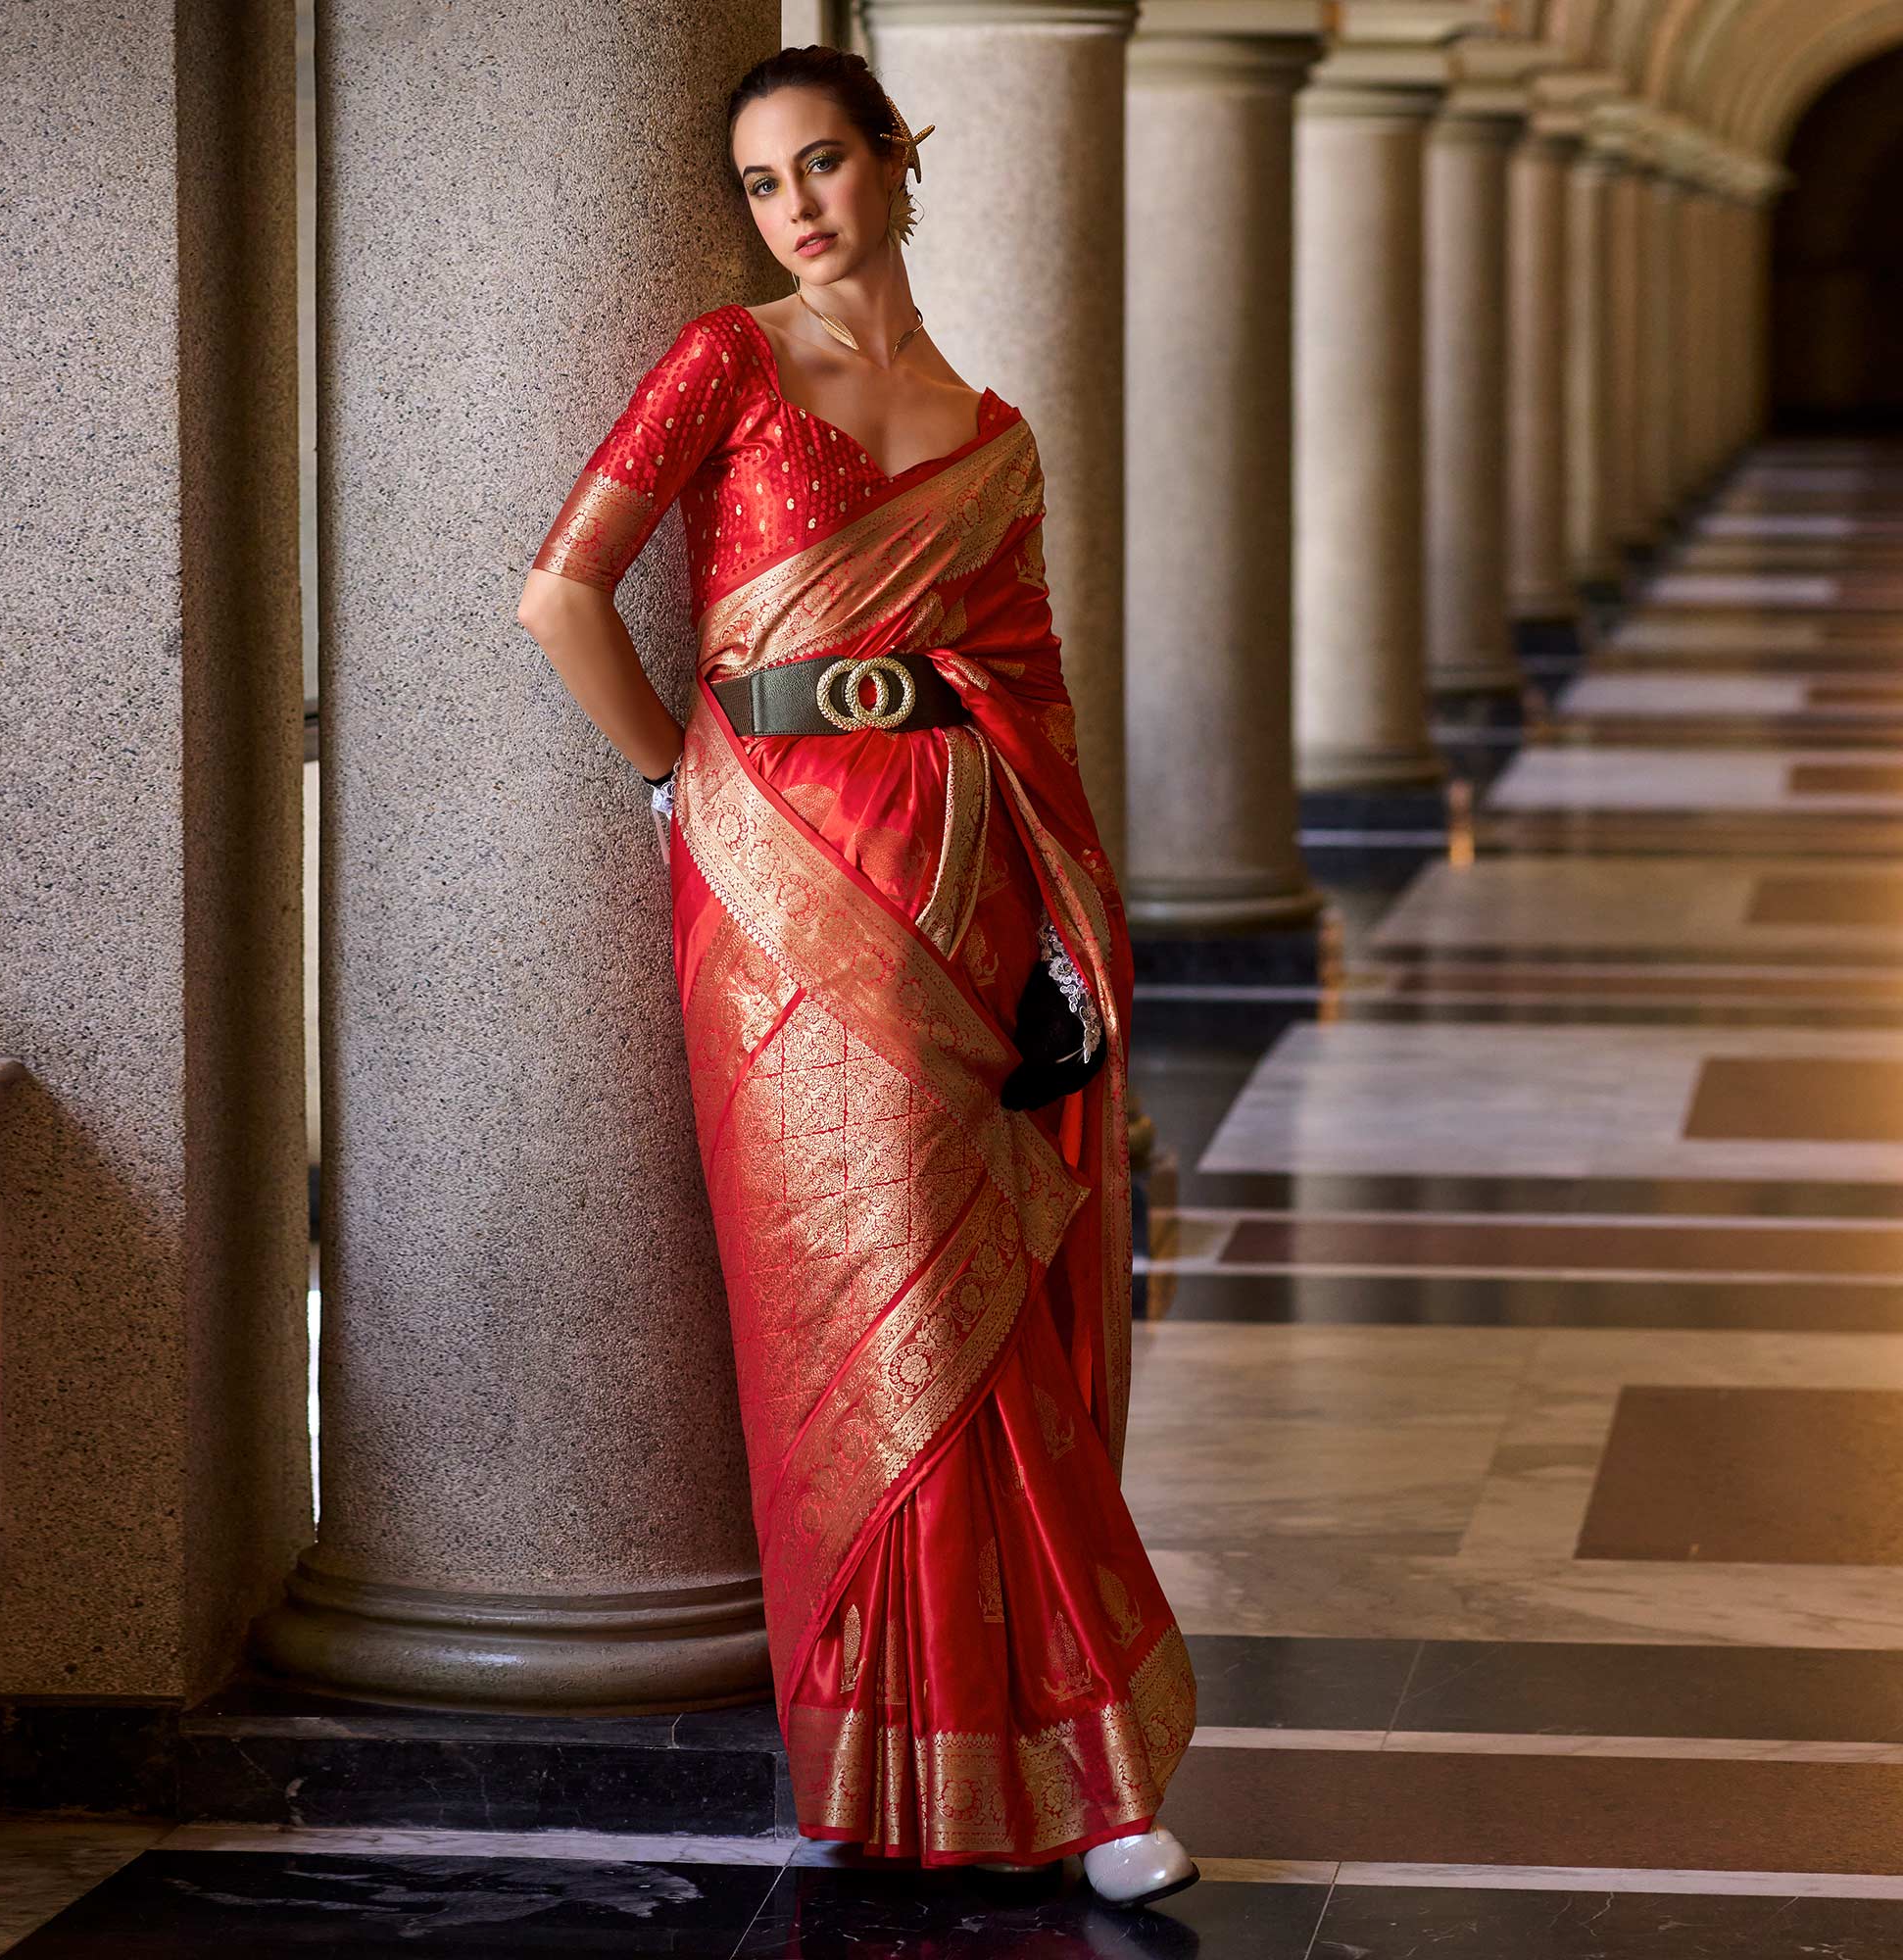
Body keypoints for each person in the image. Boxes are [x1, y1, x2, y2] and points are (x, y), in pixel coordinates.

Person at [515, 43, 1198, 1907]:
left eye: (825, 164)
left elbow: (1035, 692)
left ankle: (1078, 1773)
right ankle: (900, 1766)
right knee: (867, 1325)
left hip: (972, 880)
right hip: (778, 887)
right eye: (762, 183)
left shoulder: (991, 429)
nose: (798, 206)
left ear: (901, 164)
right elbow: (562, 591)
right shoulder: (725, 361)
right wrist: (675, 775)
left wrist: (1071, 934)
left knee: (988, 1316)